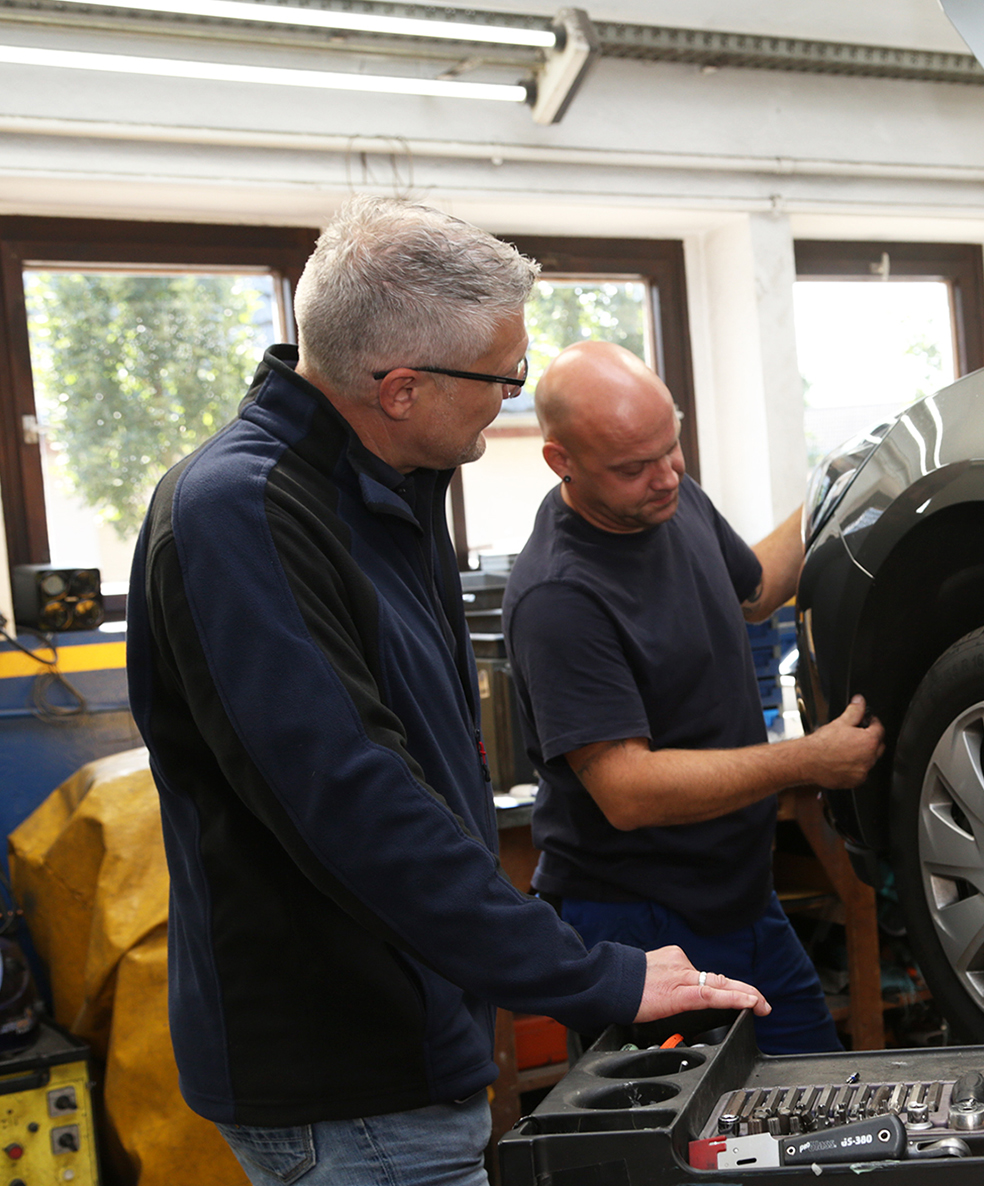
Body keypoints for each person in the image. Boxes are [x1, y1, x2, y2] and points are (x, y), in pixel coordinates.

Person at [126, 197, 766, 1186]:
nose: (510, 397)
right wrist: (592, 973)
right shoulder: (241, 514)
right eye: (502, 378)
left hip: (411, 1040)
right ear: (400, 387)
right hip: (347, 1076)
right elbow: (358, 804)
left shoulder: (388, 489)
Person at [502, 340, 885, 1055]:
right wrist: (806, 761)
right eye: (634, 467)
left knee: (824, 1107)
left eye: (671, 447)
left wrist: (840, 492)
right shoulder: (561, 596)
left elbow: (755, 589)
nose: (666, 475)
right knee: (684, 1149)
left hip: (740, 898)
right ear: (563, 463)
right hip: (636, 924)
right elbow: (628, 790)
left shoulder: (670, 498)